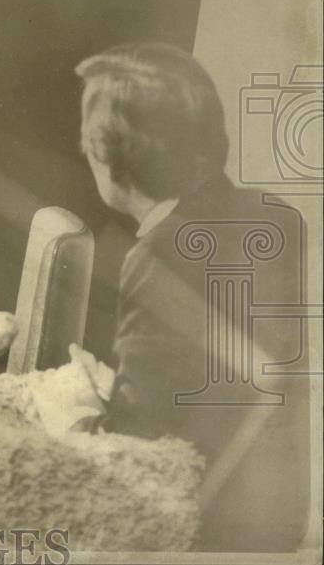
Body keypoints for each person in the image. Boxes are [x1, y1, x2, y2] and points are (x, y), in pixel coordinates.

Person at [75, 41, 310, 552]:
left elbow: (140, 451)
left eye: (87, 143)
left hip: (197, 536)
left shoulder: (160, 252)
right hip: (278, 523)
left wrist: (74, 412)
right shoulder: (276, 217)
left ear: (110, 161)